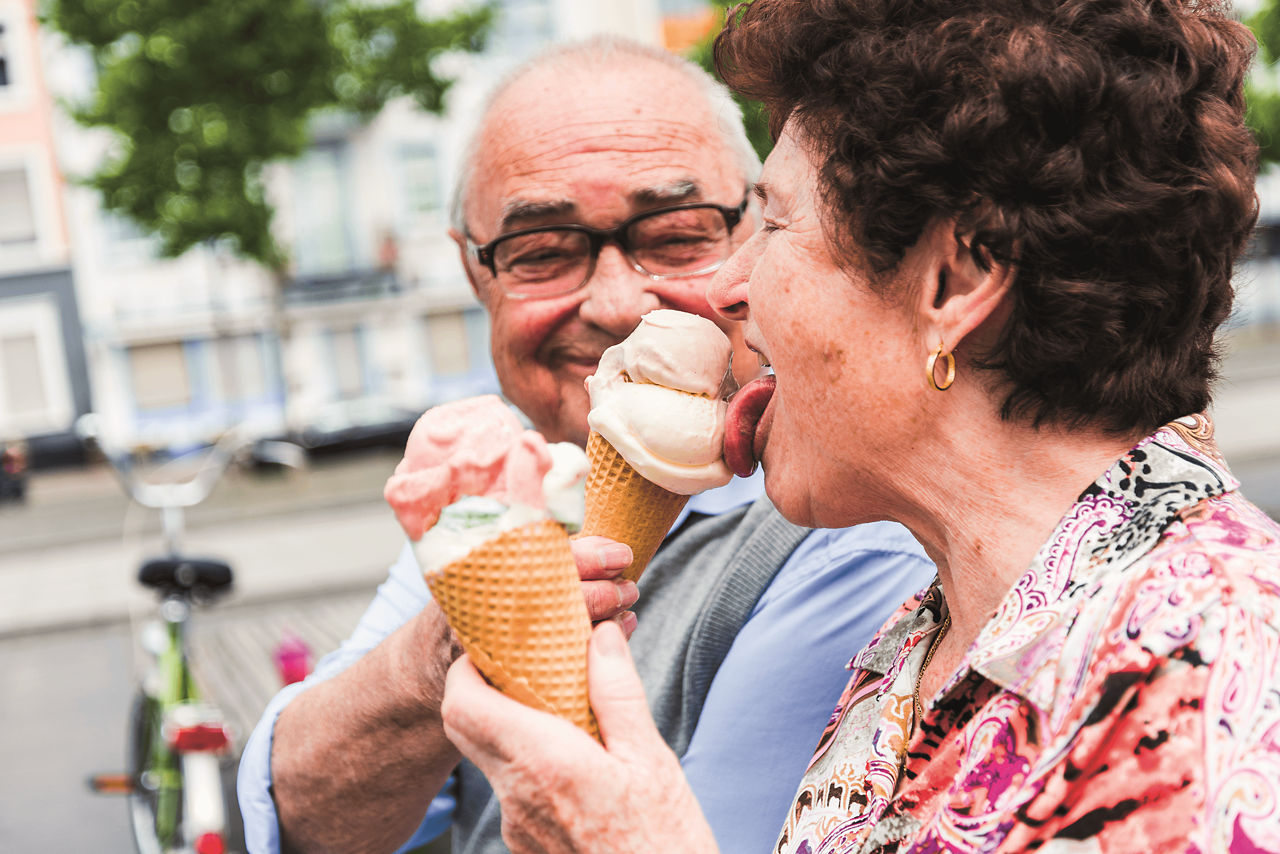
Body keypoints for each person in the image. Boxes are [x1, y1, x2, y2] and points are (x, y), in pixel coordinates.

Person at [439, 2, 1280, 853]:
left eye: (772, 222)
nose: (720, 289)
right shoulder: (914, 652)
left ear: (956, 283)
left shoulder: (1221, 665)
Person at [237, 36, 935, 854]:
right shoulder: (512, 489)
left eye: (676, 235)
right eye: (542, 253)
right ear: (477, 278)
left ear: (761, 236)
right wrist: (443, 648)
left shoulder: (849, 525)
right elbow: (306, 823)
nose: (614, 302)